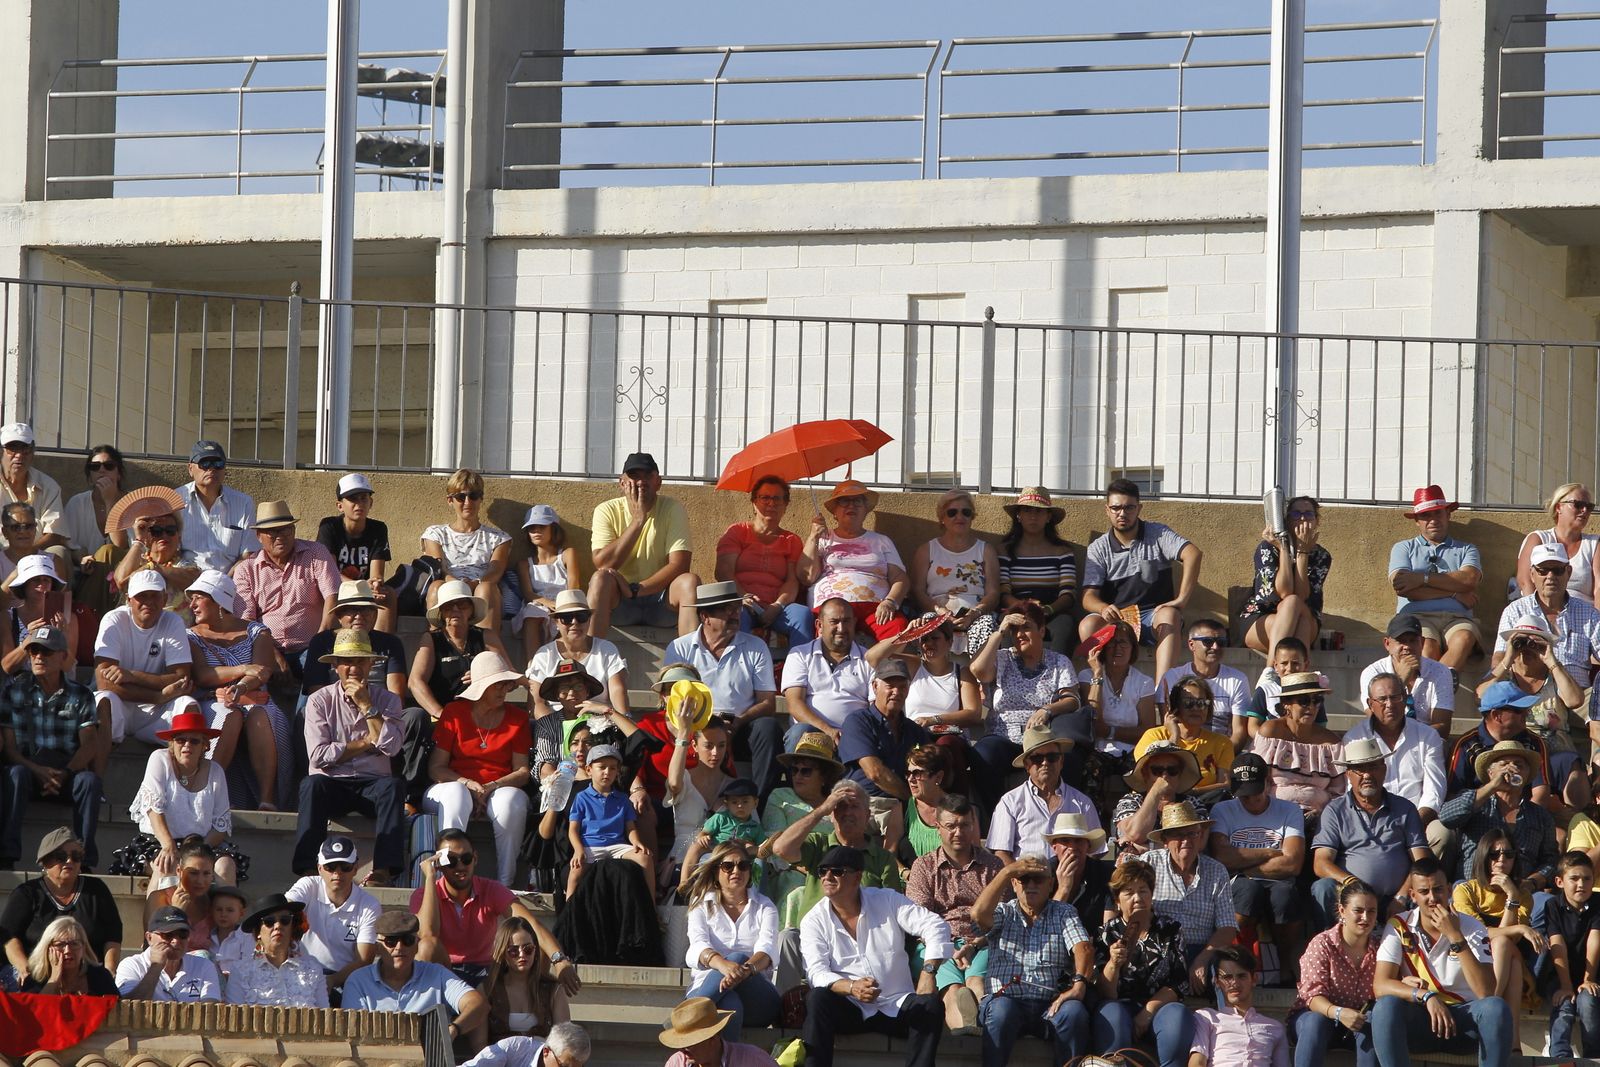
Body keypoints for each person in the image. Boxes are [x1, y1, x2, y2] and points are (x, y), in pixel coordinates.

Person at [798, 844, 951, 1067]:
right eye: (823, 871)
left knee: (930, 1005)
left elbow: (935, 925)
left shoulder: (887, 899)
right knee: (817, 998)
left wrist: (928, 972)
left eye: (837, 871)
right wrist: (851, 987)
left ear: (857, 877)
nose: (827, 877)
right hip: (850, 1007)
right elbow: (816, 972)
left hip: (897, 1003)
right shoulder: (813, 920)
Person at [1370, 857, 1510, 1067]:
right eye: (1424, 892)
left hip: (1464, 1021)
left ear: (1449, 890)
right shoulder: (1398, 925)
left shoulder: (1472, 927)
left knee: (1496, 1008)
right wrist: (1426, 996)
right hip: (1422, 1018)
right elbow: (1380, 985)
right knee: (1385, 1006)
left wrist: (1455, 936)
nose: (1432, 898)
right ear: (1413, 895)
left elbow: (1486, 992)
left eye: (1438, 890)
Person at [292, 629, 406, 882]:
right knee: (311, 785)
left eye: (360, 661)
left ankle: (384, 870)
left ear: (371, 664)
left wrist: (367, 706)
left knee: (393, 787)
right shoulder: (319, 700)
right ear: (335, 666)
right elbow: (318, 756)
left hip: (373, 783)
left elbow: (392, 747)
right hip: (332, 782)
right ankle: (307, 869)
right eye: (347, 662)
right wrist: (367, 742)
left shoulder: (388, 700)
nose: (354, 668)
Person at [413, 830, 580, 992]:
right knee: (427, 946)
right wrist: (430, 878)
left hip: (486, 972)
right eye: (451, 861)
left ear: (475, 858)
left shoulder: (490, 889)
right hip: (445, 971)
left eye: (466, 858)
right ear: (439, 864)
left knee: (535, 944)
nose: (460, 866)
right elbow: (427, 933)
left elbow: (530, 924)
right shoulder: (424, 895)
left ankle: (533, 1005)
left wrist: (560, 961)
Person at [970, 853, 1092, 1067]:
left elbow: (1083, 948)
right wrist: (1007, 872)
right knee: (1001, 1011)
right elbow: (978, 915)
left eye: (1038, 879)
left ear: (1051, 884)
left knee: (1074, 1013)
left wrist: (1079, 985)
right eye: (1024, 879)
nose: (1031, 885)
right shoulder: (1004, 912)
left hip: (1049, 1005)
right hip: (1007, 1002)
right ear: (1014, 884)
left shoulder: (1064, 912)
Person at [425, 650, 534, 886]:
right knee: (456, 793)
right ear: (481, 687)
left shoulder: (517, 718)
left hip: (498, 788)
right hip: (454, 786)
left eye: (505, 684)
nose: (503, 690)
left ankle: (505, 883)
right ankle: (446, 876)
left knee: (511, 801)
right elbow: (436, 768)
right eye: (497, 685)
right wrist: (467, 784)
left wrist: (490, 786)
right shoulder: (454, 713)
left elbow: (522, 772)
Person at [664, 581, 782, 798]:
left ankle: (760, 802)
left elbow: (768, 703)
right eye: (726, 609)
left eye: (737, 608)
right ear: (705, 617)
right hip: (696, 727)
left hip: (739, 726)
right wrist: (703, 725)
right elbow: (670, 698)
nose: (735, 614)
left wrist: (738, 721)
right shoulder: (680, 647)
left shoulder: (756, 646)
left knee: (768, 727)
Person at [1079, 478, 1202, 683]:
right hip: (1118, 620)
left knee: (1170, 615)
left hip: (1153, 617)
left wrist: (1181, 600)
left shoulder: (1158, 533)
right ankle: (1104, 682)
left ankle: (1162, 689)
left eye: (1129, 507)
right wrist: (1103, 608)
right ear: (1107, 510)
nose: (1122, 513)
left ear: (1139, 508)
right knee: (1088, 625)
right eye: (1116, 508)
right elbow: (1087, 597)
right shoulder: (1098, 548)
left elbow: (1193, 554)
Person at [185, 569, 288, 812]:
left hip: (254, 698)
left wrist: (241, 687)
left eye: (199, 597)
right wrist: (243, 669)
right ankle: (209, 793)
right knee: (228, 714)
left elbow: (262, 671)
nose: (192, 605)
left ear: (219, 600)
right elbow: (204, 675)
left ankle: (267, 799)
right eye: (192, 598)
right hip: (212, 700)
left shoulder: (257, 632)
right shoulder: (191, 636)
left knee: (261, 714)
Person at [0, 625, 102, 868]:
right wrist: (37, 770)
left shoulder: (81, 695)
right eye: (33, 651)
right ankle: (6, 856)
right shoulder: (13, 692)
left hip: (65, 772)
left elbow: (90, 744)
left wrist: (65, 773)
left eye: (46, 652)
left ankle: (84, 859)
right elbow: (9, 749)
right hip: (28, 770)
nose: (38, 657)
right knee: (15, 774)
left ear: (63, 656)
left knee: (89, 781)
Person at [107, 710, 245, 884]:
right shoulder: (159, 759)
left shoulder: (216, 771)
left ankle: (222, 902)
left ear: (205, 745)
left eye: (194, 741)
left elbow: (220, 827)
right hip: (161, 842)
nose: (187, 745)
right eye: (180, 740)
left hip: (203, 845)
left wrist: (197, 853)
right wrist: (169, 846)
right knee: (168, 864)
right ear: (171, 743)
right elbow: (154, 809)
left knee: (225, 866)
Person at [969, 603, 1084, 810]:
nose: (1020, 634)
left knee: (1070, 760)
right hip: (1003, 735)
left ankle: (1063, 815)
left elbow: (1072, 699)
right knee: (983, 754)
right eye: (1014, 630)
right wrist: (1000, 632)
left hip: (1042, 738)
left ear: (1042, 630)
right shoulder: (1002, 658)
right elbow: (979, 670)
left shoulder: (1059, 661)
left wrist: (1047, 709)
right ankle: (996, 815)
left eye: (1026, 627)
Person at [905, 794, 1002, 1033]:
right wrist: (947, 947)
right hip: (937, 943)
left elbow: (1003, 915)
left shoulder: (993, 866)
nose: (958, 832)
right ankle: (972, 1032)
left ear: (974, 825)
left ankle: (974, 1030)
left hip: (984, 942)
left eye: (964, 825)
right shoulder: (923, 866)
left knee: (976, 983)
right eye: (951, 826)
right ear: (937, 827)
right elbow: (920, 920)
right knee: (953, 991)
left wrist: (975, 943)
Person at [1310, 738, 1431, 929]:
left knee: (1428, 888)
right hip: (1351, 897)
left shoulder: (1405, 808)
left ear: (1384, 769)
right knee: (1322, 888)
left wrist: (1401, 896)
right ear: (1349, 774)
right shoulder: (1335, 810)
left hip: (1396, 898)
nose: (1367, 775)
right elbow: (1321, 863)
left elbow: (1422, 861)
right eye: (1359, 769)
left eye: (1373, 767)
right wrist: (1352, 883)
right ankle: (1330, 941)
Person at [1480, 614, 1588, 814]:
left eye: (1534, 643)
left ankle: (1575, 815)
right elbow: (1481, 697)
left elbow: (1575, 700)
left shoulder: (1555, 676)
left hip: (1555, 756)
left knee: (1571, 762)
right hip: (1517, 754)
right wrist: (1508, 658)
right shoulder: (1504, 676)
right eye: (1521, 642)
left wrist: (1551, 660)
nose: (1526, 649)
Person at [1092, 859, 1195, 1067]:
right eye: (1129, 892)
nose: (1137, 898)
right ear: (1117, 900)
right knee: (1111, 1014)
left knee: (1178, 1016)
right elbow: (1105, 992)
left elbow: (1179, 982)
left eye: (1143, 891)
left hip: (1159, 1007)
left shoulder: (1170, 929)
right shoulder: (1106, 934)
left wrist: (1146, 1013)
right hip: (1119, 1006)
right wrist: (1113, 964)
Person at [1208, 754, 1306, 969]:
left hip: (1276, 881)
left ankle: (1285, 964)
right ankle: (1229, 959)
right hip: (1239, 883)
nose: (1251, 801)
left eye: (1256, 793)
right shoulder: (1222, 809)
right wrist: (1270, 852)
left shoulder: (1290, 810)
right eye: (1244, 796)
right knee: (1248, 891)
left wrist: (1241, 864)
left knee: (1285, 895)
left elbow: (1292, 864)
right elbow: (1221, 857)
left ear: (1268, 783)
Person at [1343, 672, 1451, 863]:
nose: (1390, 704)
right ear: (1370, 703)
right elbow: (1353, 790)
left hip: (1418, 820)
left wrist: (1412, 824)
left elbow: (1434, 791)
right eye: (1382, 699)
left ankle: (1429, 880)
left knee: (1442, 833)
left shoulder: (1427, 736)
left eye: (1395, 697)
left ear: (1406, 698)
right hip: (1371, 820)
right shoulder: (1355, 738)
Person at [587, 452, 698, 637]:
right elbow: (603, 564)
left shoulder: (672, 508)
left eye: (647, 476)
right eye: (634, 476)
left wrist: (637, 590)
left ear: (658, 482)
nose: (641, 482)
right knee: (600, 579)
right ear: (622, 483)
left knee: (690, 581)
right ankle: (591, 653)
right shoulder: (606, 510)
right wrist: (638, 521)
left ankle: (691, 654)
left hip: (661, 601)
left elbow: (680, 565)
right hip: (620, 602)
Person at [233, 499, 341, 687]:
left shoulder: (316, 553)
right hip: (265, 648)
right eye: (272, 532)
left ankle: (308, 707)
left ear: (294, 530)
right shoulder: (246, 569)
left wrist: (319, 640)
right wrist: (272, 653)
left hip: (309, 645)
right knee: (252, 675)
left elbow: (333, 595)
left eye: (285, 530)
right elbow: (246, 621)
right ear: (259, 536)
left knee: (317, 667)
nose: (280, 536)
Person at [342, 909, 489, 1045]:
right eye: (390, 941)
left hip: (428, 1058)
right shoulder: (358, 981)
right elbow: (353, 1032)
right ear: (378, 947)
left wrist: (454, 1028)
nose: (399, 947)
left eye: (407, 940)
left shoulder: (437, 974)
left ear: (417, 945)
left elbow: (477, 1004)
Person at [681, 840, 780, 1041]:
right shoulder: (700, 905)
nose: (736, 871)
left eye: (743, 865)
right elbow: (698, 945)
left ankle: (689, 1016)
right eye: (728, 866)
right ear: (716, 871)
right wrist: (723, 965)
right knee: (730, 1002)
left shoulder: (765, 906)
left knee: (739, 957)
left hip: (757, 998)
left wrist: (742, 970)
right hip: (709, 990)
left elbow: (767, 950)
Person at [94, 569, 200, 747]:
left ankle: (185, 766)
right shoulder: (114, 619)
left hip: (156, 710)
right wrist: (158, 696)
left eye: (154, 596)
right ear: (129, 599)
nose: (149, 602)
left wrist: (132, 676)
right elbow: (104, 683)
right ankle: (97, 765)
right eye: (142, 596)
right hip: (123, 704)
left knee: (187, 705)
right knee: (103, 700)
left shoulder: (173, 621)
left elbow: (182, 679)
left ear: (165, 599)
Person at [797, 478, 910, 645]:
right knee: (829, 636)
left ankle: (881, 663)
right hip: (832, 607)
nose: (851, 505)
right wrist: (813, 537)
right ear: (835, 511)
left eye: (858, 501)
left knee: (898, 628)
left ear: (865, 510)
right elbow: (806, 577)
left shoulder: (881, 541)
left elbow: (900, 578)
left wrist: (890, 602)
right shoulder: (822, 538)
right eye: (844, 501)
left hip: (875, 608)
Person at [1, 828, 122, 976]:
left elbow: (113, 934)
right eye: (61, 856)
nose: (69, 861)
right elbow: (8, 937)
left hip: (85, 973)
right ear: (45, 861)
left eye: (76, 856)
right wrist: (24, 968)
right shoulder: (26, 893)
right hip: (36, 970)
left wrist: (109, 970)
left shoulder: (97, 890)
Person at [1388, 484, 1483, 672]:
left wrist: (1420, 579)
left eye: (1438, 513)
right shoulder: (1403, 548)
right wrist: (1455, 593)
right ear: (1417, 520)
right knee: (1426, 646)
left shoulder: (1467, 549)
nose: (1433, 520)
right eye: (1425, 515)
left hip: (1458, 618)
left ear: (1448, 514)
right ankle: (1439, 683)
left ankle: (1440, 682)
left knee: (1464, 638)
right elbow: (1403, 587)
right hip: (1416, 617)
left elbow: (1469, 579)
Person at [1142, 801, 1236, 992]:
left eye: (1192, 833)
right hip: (1159, 948)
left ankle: (1225, 1012)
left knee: (1225, 973)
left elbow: (1227, 927)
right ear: (1165, 840)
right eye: (1178, 834)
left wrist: (1203, 958)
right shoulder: (1149, 863)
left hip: (1202, 948)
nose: (1186, 840)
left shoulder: (1216, 870)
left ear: (1200, 836)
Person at [839, 658, 929, 852]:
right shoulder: (858, 721)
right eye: (890, 686)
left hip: (903, 808)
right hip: (865, 803)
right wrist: (912, 799)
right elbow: (875, 773)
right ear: (874, 686)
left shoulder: (915, 731)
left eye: (902, 686)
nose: (896, 691)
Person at [1440, 739, 1557, 888]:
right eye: (1504, 765)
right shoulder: (1475, 802)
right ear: (1490, 773)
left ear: (1527, 775)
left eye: (1519, 765)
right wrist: (1492, 786)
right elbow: (1446, 817)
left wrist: (1532, 882)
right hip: (1472, 890)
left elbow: (1551, 860)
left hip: (1519, 892)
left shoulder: (1541, 816)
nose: (1512, 769)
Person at [1290, 877, 1381, 1067]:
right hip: (1318, 1017)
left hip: (1358, 1023)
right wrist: (1339, 1013)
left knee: (1374, 1023)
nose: (1365, 917)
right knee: (1315, 1022)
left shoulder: (1380, 948)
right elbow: (1312, 997)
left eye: (1371, 911)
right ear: (1342, 910)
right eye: (1358, 910)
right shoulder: (1323, 943)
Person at [715, 475, 810, 649]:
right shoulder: (737, 532)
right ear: (754, 502)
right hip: (742, 602)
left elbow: (792, 581)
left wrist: (778, 605)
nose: (771, 503)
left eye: (777, 498)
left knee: (802, 615)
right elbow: (723, 572)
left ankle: (801, 666)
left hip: (778, 608)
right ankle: (738, 664)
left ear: (786, 505)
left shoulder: (792, 540)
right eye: (765, 497)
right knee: (737, 614)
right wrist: (743, 597)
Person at [988, 722, 1104, 863]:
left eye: (1052, 757)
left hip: (1073, 873)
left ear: (1061, 761)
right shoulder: (1009, 802)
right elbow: (1001, 853)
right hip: (1027, 875)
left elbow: (1095, 851)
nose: (1045, 763)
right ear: (1027, 765)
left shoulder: (1083, 803)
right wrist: (1020, 876)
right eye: (1037, 758)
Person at [1447, 681, 1560, 822]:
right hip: (1477, 821)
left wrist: (1521, 824)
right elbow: (1452, 797)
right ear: (1496, 715)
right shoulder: (1466, 745)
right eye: (1518, 710)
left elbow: (1540, 793)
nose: (1526, 713)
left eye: (1526, 708)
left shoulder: (1535, 742)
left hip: (1525, 819)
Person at [1450, 828, 1539, 1009]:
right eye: (1494, 854)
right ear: (1483, 857)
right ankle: (1492, 1008)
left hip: (1507, 955)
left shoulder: (1522, 895)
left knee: (1504, 945)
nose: (1501, 860)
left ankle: (1490, 1007)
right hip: (1473, 960)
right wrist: (1520, 927)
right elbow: (1479, 936)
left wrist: (1512, 897)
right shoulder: (1466, 890)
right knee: (1508, 955)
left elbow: (1511, 939)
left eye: (1508, 854)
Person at [286, 835, 380, 1001]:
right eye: (330, 867)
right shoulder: (308, 885)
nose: (337, 873)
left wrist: (332, 980)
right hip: (300, 972)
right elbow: (284, 908)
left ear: (355, 868)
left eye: (345, 866)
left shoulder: (369, 905)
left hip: (345, 980)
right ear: (319, 868)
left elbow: (364, 959)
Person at [909, 488, 1000, 652]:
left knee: (986, 623)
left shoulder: (985, 550)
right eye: (952, 512)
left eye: (966, 512)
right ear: (942, 518)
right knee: (928, 622)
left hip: (975, 615)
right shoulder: (927, 550)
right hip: (937, 613)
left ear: (972, 517)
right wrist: (940, 612)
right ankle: (933, 668)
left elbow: (993, 592)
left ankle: (981, 668)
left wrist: (974, 613)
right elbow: (917, 591)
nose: (960, 517)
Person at [1240, 495, 1333, 656]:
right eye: (1296, 514)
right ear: (1286, 520)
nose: (1302, 519)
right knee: (1292, 607)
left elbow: (1301, 596)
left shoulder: (1322, 555)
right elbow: (1284, 592)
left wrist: (1302, 552)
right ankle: (1293, 669)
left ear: (1317, 521)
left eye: (1308, 514)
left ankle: (1271, 668)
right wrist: (1283, 549)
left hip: (1305, 618)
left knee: (1296, 608)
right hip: (1263, 618)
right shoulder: (1268, 548)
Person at [1252, 672, 1346, 824]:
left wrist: (1324, 813)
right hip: (1274, 816)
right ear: (1286, 703)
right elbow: (1258, 781)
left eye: (1317, 700)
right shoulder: (1271, 732)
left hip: (1320, 820)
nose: (1311, 707)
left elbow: (1338, 792)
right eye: (1304, 701)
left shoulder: (1331, 743)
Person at [761, 732, 843, 905]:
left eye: (806, 771)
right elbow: (774, 848)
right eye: (794, 770)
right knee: (797, 891)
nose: (797, 776)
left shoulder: (838, 804)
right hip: (791, 875)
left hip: (834, 877)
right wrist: (821, 811)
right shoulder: (780, 797)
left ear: (824, 776)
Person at [424, 468, 512, 628]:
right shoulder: (435, 533)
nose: (467, 502)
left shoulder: (500, 538)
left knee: (486, 588)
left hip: (480, 589)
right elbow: (439, 567)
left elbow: (495, 572)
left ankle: (486, 641)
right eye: (460, 497)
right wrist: (458, 586)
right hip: (449, 585)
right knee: (436, 587)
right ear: (450, 500)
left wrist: (474, 584)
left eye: (473, 496)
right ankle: (436, 639)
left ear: (481, 499)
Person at [780, 597, 872, 749]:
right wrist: (828, 731)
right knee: (799, 732)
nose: (841, 628)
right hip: (812, 734)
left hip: (855, 736)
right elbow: (794, 703)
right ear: (819, 625)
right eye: (834, 622)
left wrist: (852, 734)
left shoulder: (868, 658)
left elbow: (876, 707)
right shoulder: (800, 654)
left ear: (854, 623)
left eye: (847, 621)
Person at [299, 578, 408, 705]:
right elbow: (317, 696)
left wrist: (368, 707)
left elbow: (396, 698)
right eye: (351, 610)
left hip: (381, 709)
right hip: (334, 709)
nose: (359, 616)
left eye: (366, 609)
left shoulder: (390, 643)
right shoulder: (322, 642)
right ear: (339, 615)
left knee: (414, 714)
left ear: (375, 614)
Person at [567, 742, 654, 899]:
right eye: (602, 767)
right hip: (591, 846)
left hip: (617, 846)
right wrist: (578, 850)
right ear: (589, 769)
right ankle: (568, 910)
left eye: (612, 768)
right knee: (575, 873)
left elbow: (630, 827)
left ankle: (651, 905)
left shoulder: (623, 799)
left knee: (645, 859)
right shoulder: (581, 798)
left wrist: (636, 842)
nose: (607, 772)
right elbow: (573, 830)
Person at [998, 486, 1078, 652]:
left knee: (1065, 627)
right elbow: (1003, 592)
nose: (1033, 516)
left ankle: (1058, 669)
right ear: (1018, 515)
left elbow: (1068, 594)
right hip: (1017, 609)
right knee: (1007, 628)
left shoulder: (1063, 551)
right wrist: (1024, 607)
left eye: (1039, 511)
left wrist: (1047, 609)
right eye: (1027, 510)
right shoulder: (1005, 551)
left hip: (1052, 611)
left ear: (1048, 517)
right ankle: (1009, 669)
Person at [316, 472, 398, 632]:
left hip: (364, 590)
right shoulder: (329, 526)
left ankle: (381, 645)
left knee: (387, 594)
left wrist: (375, 584)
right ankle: (324, 640)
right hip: (338, 586)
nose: (359, 504)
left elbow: (377, 574)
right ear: (340, 505)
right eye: (352, 499)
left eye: (363, 498)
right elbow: (329, 572)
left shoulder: (379, 528)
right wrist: (359, 585)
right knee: (330, 592)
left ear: (371, 502)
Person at [1539, 849, 1600, 1059]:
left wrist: (1588, 979)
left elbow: (1595, 940)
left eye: (1587, 878)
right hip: (1560, 974)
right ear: (1559, 882)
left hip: (1591, 974)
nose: (1581, 884)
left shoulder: (1598, 903)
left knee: (1588, 1002)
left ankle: (1593, 1056)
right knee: (1563, 1004)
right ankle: (1559, 1056)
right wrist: (1566, 985)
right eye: (1574, 878)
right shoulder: (1552, 905)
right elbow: (1557, 944)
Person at [527, 589, 629, 716]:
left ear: (589, 620)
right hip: (556, 722)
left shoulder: (607, 649)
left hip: (600, 721)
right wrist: (553, 727)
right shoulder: (544, 655)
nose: (574, 622)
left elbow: (618, 691)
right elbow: (537, 704)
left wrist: (623, 720)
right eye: (567, 618)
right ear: (556, 622)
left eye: (581, 617)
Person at [1133, 676, 1234, 800]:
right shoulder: (1154, 736)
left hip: (1203, 803)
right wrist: (1174, 736)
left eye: (1202, 703)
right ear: (1175, 707)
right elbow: (1153, 776)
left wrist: (1191, 793)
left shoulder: (1222, 743)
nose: (1196, 708)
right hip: (1155, 801)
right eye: (1188, 703)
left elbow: (1225, 784)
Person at [1359, 615, 1456, 740]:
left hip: (1427, 744)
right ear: (1387, 644)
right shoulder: (1372, 673)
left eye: (1412, 641)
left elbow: (1442, 728)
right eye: (1401, 641)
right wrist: (1400, 681)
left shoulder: (1440, 671)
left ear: (1422, 643)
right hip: (1387, 744)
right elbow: (1377, 723)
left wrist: (1412, 742)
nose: (1407, 647)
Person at [477, 916, 570, 1045]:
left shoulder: (553, 989)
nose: (522, 955)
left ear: (535, 950)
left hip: (542, 1056)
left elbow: (563, 1041)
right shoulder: (488, 989)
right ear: (503, 953)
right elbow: (479, 1044)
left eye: (528, 949)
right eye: (513, 951)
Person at [1189, 945, 1286, 1067]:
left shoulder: (1275, 1028)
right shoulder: (1207, 1018)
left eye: (1241, 976)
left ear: (1254, 979)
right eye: (1227, 977)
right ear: (1217, 982)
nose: (1234, 983)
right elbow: (1196, 1063)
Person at [225, 892, 328, 1007]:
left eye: (285, 920)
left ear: (292, 927)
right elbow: (234, 1016)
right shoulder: (240, 971)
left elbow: (325, 1014)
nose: (278, 926)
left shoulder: (313, 970)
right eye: (269, 921)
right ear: (258, 932)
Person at [1080, 620, 1157, 770]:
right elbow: (1093, 718)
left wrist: (1110, 732)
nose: (1117, 648)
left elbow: (1147, 731)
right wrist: (1097, 674)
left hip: (1133, 750)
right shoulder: (1087, 676)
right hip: (1096, 750)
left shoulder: (1144, 682)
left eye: (1123, 643)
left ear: (1132, 648)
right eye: (1112, 643)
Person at [1157, 619, 1249, 745]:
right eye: (1208, 641)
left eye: (1221, 642)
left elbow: (1239, 732)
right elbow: (1167, 724)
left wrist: (1223, 754)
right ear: (1191, 645)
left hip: (1221, 751)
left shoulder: (1238, 679)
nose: (1215, 647)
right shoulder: (1172, 677)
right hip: (1181, 749)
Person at [1113, 741, 1211, 857]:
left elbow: (1197, 844)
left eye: (1172, 770)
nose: (1165, 776)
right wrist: (1156, 791)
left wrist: (1146, 848)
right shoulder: (1130, 801)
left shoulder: (1193, 804)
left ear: (1180, 774)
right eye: (1157, 771)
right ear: (1145, 774)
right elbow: (1135, 835)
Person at [114, 905, 222, 1002]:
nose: (176, 941)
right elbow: (128, 1008)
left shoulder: (204, 966)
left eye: (183, 934)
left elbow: (209, 1010)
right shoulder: (132, 965)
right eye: (168, 935)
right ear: (149, 938)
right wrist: (155, 968)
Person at [177, 440, 255, 573]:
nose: (212, 469)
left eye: (218, 463)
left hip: (230, 580)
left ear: (225, 469)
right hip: (187, 578)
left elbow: (248, 554)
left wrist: (225, 581)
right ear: (190, 469)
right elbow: (170, 551)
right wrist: (191, 577)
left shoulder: (244, 503)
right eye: (204, 463)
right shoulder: (176, 500)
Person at [515, 504, 581, 658]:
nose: (536, 531)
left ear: (553, 529)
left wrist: (561, 606)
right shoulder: (524, 564)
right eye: (532, 528)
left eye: (542, 526)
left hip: (565, 603)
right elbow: (528, 593)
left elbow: (574, 584)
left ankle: (564, 662)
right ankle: (534, 664)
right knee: (531, 613)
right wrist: (548, 603)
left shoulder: (567, 554)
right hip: (540, 604)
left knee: (565, 618)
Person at [1515, 482, 1598, 603]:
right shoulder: (1539, 539)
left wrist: (1596, 614)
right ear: (1559, 507)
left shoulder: (1594, 544)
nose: (1584, 510)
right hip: (1541, 609)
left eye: (1589, 506)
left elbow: (1599, 588)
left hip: (1585, 612)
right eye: (1578, 504)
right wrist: (1536, 612)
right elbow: (1525, 581)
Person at [1, 554, 79, 676]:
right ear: (24, 585)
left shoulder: (68, 618)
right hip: (20, 685)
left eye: (46, 580)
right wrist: (29, 640)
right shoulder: (7, 617)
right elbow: (7, 667)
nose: (42, 585)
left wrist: (61, 637)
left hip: (55, 685)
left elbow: (67, 666)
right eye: (35, 579)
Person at [111, 503, 200, 608]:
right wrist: (139, 540)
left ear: (179, 537)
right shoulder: (137, 562)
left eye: (170, 530)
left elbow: (192, 582)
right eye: (156, 531)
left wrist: (154, 568)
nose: (164, 535)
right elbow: (120, 581)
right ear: (148, 536)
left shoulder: (186, 564)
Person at [1045, 810, 1113, 938]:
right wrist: (1063, 888)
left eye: (1078, 841)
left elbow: (1109, 925)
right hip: (1053, 942)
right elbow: (1044, 927)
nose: (1072, 847)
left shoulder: (1105, 874)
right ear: (1054, 847)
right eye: (1065, 841)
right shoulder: (1043, 874)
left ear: (1088, 846)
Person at [659, 997, 779, 1067]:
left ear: (713, 1038)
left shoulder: (752, 1059)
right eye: (681, 1044)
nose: (683, 1050)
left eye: (689, 1043)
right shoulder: (677, 1063)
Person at [0, 423, 65, 550]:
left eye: (25, 449)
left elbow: (54, 533)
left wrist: (26, 553)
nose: (19, 455)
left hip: (37, 553)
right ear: (1, 452)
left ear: (33, 453)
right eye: (12, 448)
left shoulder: (48, 486)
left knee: (59, 551)